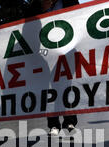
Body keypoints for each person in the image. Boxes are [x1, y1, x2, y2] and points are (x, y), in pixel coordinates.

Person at [27, 0, 79, 136]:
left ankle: (69, 120)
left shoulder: (70, 0)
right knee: (49, 89)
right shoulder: (35, 6)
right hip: (45, 54)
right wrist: (43, 9)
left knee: (66, 85)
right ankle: (53, 124)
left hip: (67, 50)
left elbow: (80, 18)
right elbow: (28, 27)